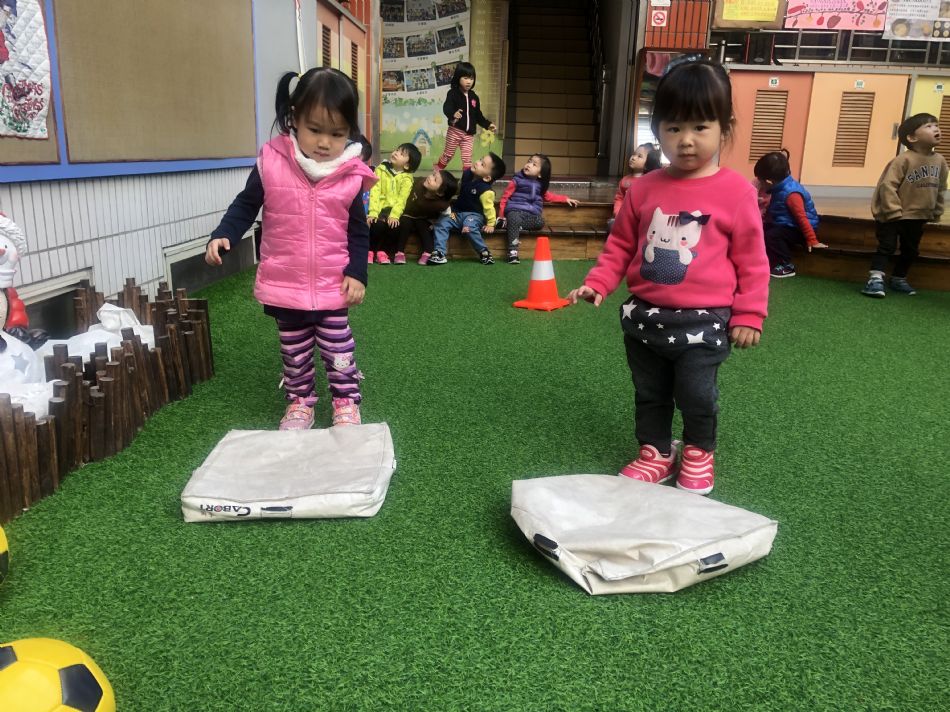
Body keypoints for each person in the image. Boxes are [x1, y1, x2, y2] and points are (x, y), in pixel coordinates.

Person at [568, 56, 769, 496]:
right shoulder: (644, 188)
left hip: (705, 321)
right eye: (673, 127)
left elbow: (753, 261)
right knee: (650, 390)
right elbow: (621, 245)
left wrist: (750, 314)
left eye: (700, 127)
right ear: (657, 129)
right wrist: (598, 282)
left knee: (696, 391)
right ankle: (656, 451)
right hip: (644, 318)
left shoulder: (737, 192)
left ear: (725, 128)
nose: (686, 140)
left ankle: (698, 450)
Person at [205, 68, 376, 430]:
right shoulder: (271, 162)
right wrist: (225, 233)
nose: (325, 143)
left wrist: (357, 273)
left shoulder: (350, 173)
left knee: (338, 347)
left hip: (332, 284)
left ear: (350, 131)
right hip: (285, 282)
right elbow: (246, 204)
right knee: (294, 352)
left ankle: (346, 401)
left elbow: (358, 231)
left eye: (337, 133)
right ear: (294, 118)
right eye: (315, 130)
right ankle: (300, 402)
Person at [862, 113, 947, 297]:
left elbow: (940, 188)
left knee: (911, 250)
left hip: (918, 215)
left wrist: (937, 210)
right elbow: (887, 185)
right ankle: (875, 279)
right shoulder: (903, 160)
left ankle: (898, 278)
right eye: (929, 126)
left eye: (936, 125)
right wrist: (893, 210)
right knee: (887, 246)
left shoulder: (940, 161)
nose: (936, 129)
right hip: (893, 215)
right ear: (912, 137)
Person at [753, 149, 827, 278]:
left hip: (799, 229)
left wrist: (812, 240)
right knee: (762, 230)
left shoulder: (791, 194)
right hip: (786, 224)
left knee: (773, 235)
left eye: (761, 181)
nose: (759, 184)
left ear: (769, 181)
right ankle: (763, 260)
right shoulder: (779, 188)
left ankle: (786, 265)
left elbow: (801, 218)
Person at [498, 153, 579, 264]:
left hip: (530, 215)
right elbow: (505, 198)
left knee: (540, 222)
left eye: (534, 164)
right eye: (529, 161)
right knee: (514, 219)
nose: (529, 164)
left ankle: (511, 225)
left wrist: (565, 199)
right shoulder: (516, 180)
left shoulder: (540, 186)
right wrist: (501, 216)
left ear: (540, 174)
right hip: (515, 211)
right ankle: (513, 252)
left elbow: (550, 197)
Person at [428, 152, 506, 265]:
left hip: (474, 216)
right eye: (480, 159)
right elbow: (460, 189)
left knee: (469, 227)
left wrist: (491, 224)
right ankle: (439, 252)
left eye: (482, 164)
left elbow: (489, 209)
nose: (477, 162)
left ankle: (484, 252)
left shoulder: (486, 191)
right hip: (456, 214)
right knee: (442, 222)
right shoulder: (467, 174)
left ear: (487, 177)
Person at [435, 62, 496, 172]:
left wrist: (488, 125)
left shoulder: (474, 97)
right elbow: (447, 107)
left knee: (467, 159)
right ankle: (437, 170)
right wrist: (453, 113)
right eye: (465, 78)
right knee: (448, 155)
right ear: (458, 78)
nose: (469, 81)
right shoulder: (453, 93)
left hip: (468, 135)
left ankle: (466, 179)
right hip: (455, 131)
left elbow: (478, 115)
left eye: (471, 78)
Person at [389, 168, 458, 265]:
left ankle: (428, 252)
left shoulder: (441, 204)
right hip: (407, 214)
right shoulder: (419, 183)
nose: (430, 177)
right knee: (404, 224)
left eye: (435, 179)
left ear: (440, 193)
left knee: (425, 228)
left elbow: (447, 213)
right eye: (433, 175)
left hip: (422, 218)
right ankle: (399, 252)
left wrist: (436, 223)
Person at [367, 143, 421, 264]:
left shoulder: (407, 178)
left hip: (394, 211)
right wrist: (373, 212)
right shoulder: (381, 169)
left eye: (402, 154)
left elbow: (402, 199)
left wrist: (394, 215)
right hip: (379, 208)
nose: (396, 153)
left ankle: (383, 252)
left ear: (407, 165)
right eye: (397, 150)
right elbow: (375, 191)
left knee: (395, 226)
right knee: (376, 224)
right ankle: (370, 251)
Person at [613, 143, 663, 217]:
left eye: (639, 156)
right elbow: (619, 198)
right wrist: (618, 212)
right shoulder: (625, 181)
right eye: (634, 154)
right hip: (625, 217)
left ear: (648, 164)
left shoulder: (650, 182)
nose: (633, 158)